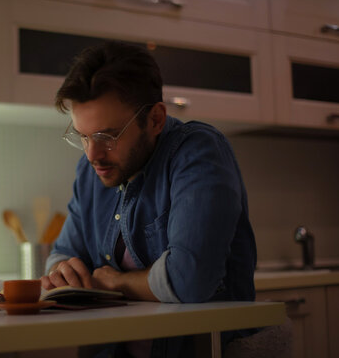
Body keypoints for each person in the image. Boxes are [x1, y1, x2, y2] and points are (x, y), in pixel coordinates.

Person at [40, 41, 257, 357]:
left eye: (107, 136)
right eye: (83, 136)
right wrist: (64, 270)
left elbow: (190, 278)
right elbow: (61, 252)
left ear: (155, 119)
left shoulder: (198, 153)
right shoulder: (92, 172)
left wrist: (114, 283)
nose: (92, 154)